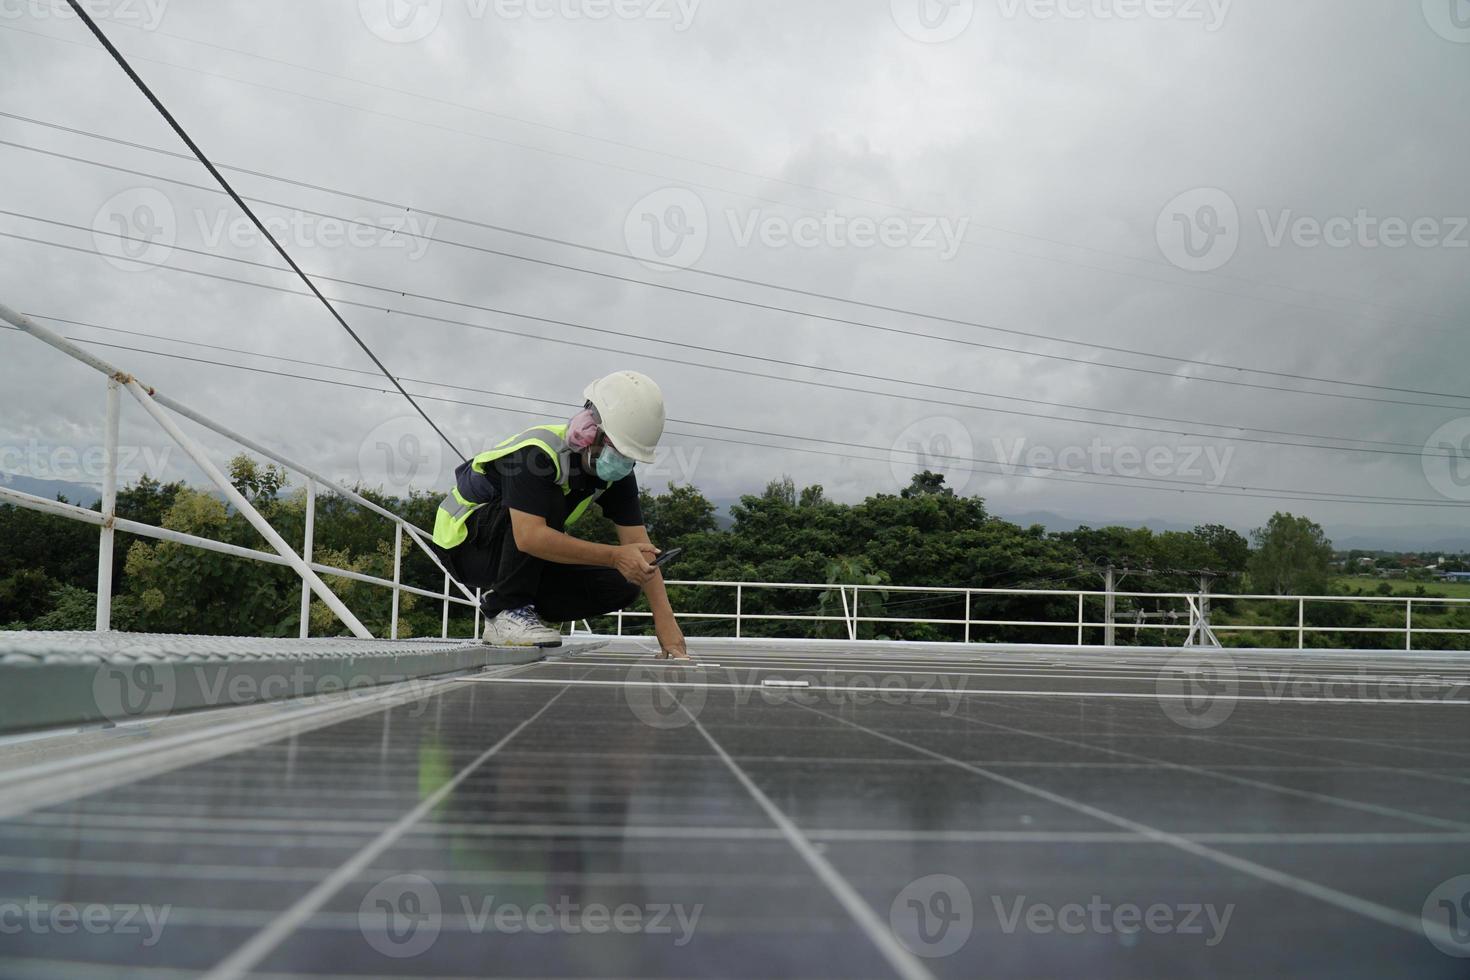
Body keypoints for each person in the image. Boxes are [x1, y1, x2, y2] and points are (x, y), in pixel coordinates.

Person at [430, 370, 688, 659]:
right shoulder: (537, 454)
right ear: (589, 430)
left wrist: (666, 621)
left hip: (515, 547)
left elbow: (641, 546)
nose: (623, 462)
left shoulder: (617, 475)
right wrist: (615, 556)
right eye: (619, 449)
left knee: (625, 582)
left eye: (630, 455)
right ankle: (506, 611)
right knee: (548, 502)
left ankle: (524, 613)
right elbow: (529, 537)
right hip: (463, 543)